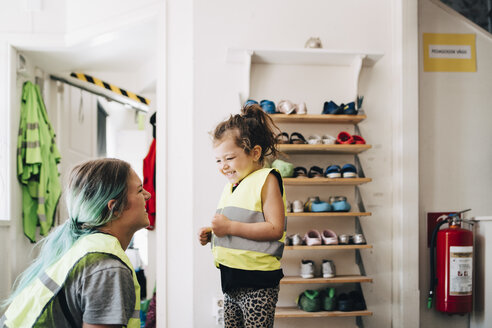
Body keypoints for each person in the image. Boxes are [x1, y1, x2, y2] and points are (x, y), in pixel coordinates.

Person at [1, 158, 151, 328]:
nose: (148, 195)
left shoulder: (83, 248)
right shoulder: (106, 267)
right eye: (139, 191)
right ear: (114, 208)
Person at [198, 104, 287, 328]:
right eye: (218, 160)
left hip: (257, 283)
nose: (223, 166)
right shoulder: (233, 186)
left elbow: (275, 229)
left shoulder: (267, 179)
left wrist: (228, 228)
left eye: (229, 158)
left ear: (254, 152)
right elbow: (240, 224)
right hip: (231, 282)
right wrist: (213, 234)